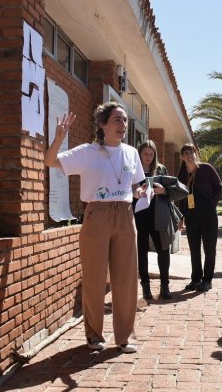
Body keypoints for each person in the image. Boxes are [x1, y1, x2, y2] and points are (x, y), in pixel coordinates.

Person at [44, 103, 146, 354]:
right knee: (94, 278)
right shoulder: (88, 152)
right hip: (97, 215)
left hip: (124, 215)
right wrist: (58, 138)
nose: (123, 125)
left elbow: (137, 184)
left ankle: (123, 337)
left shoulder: (132, 153)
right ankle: (94, 336)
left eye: (124, 121)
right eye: (117, 120)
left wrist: (141, 191)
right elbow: (49, 160)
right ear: (103, 124)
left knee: (126, 279)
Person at [134, 140, 188, 300]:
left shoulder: (161, 169)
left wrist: (163, 190)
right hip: (140, 216)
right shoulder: (133, 169)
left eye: (151, 154)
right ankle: (146, 287)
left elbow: (172, 191)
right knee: (141, 252)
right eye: (145, 153)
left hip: (159, 215)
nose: (148, 157)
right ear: (140, 154)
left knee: (163, 250)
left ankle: (165, 286)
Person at [177, 143, 222, 292]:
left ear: (196, 153)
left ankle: (207, 279)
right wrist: (181, 216)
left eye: (191, 152)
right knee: (194, 249)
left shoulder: (206, 169)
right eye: (186, 153)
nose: (189, 156)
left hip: (208, 215)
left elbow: (219, 187)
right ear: (182, 157)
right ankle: (195, 278)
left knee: (209, 249)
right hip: (191, 217)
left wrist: (212, 204)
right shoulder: (182, 173)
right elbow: (180, 197)